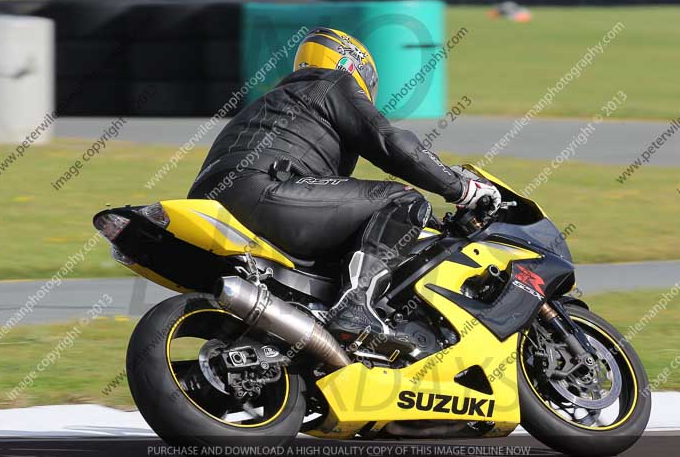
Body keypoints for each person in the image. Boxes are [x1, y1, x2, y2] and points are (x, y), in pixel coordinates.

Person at [188, 27, 501, 346]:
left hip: (209, 202)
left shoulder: (268, 103)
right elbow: (392, 145)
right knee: (402, 201)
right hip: (267, 192)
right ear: (353, 67)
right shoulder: (333, 83)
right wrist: (461, 187)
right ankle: (356, 305)